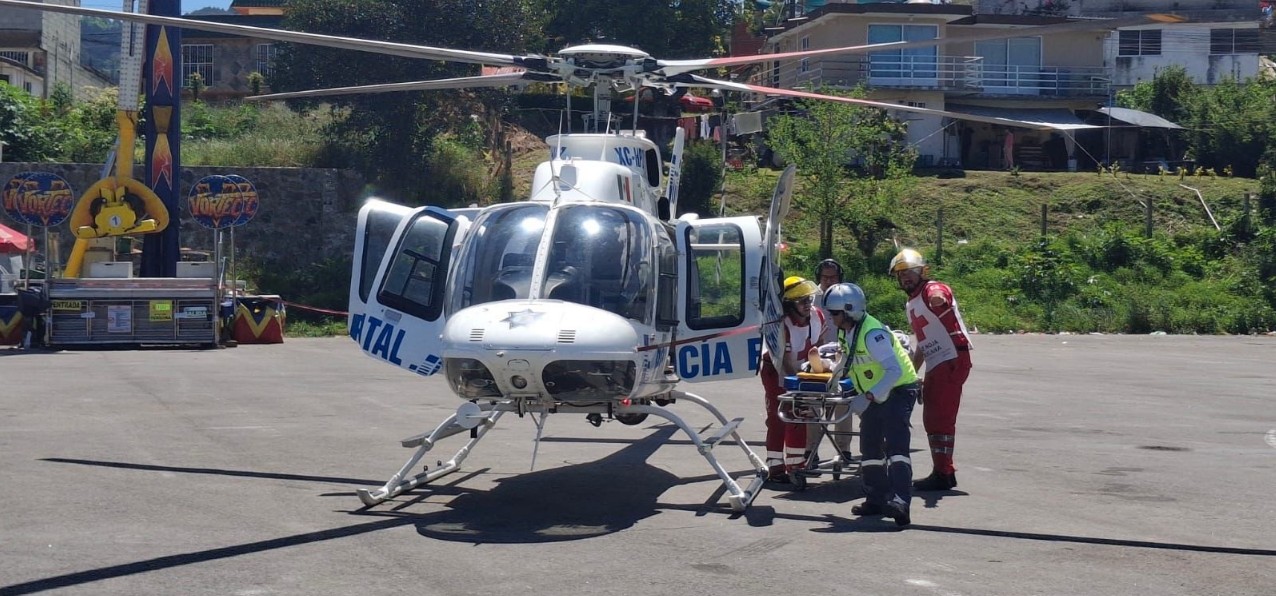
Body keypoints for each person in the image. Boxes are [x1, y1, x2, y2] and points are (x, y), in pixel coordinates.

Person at [823, 282, 919, 527]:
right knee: (870, 448)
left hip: (897, 389)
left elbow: (894, 371)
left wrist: (867, 397)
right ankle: (876, 499)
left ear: (849, 310)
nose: (831, 318)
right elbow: (848, 358)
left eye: (834, 313)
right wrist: (831, 378)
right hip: (874, 392)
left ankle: (900, 502)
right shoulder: (847, 330)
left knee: (896, 448)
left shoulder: (872, 333)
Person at [889, 248, 973, 492]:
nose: (905, 277)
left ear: (922, 272)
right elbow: (923, 343)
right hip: (939, 360)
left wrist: (938, 299)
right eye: (900, 274)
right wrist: (912, 374)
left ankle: (944, 473)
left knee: (939, 418)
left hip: (951, 358)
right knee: (933, 417)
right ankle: (943, 469)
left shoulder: (931, 289)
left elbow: (940, 293)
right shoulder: (912, 302)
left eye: (910, 272)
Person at [760, 276, 834, 483]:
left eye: (808, 299)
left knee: (799, 417)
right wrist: (798, 384)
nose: (807, 305)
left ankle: (796, 464)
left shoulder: (817, 316)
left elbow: (817, 345)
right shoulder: (781, 325)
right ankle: (775, 467)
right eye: (801, 301)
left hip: (800, 371)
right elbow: (782, 359)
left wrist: (817, 372)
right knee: (778, 417)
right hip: (775, 370)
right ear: (789, 304)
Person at [808, 258, 853, 462]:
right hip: (817, 358)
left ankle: (843, 449)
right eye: (824, 277)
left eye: (832, 277)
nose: (828, 281)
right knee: (813, 405)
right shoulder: (810, 298)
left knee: (843, 404)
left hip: (842, 357)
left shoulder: (846, 296)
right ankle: (811, 450)